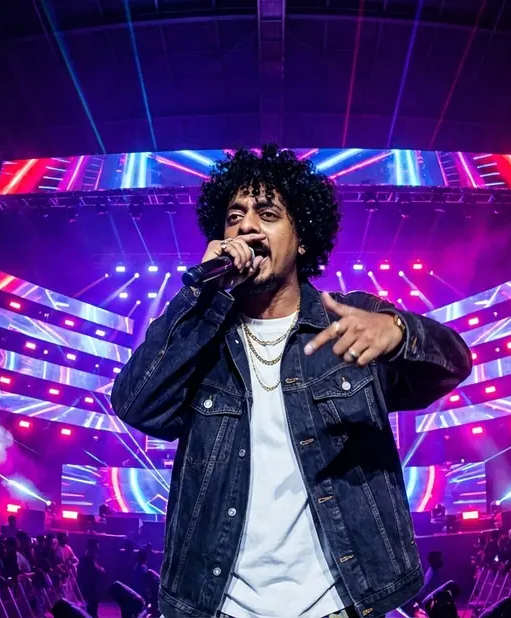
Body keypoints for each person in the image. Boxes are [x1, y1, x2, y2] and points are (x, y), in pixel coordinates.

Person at [112, 146, 473, 618]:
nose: (246, 226)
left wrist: (401, 332)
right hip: (221, 607)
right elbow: (136, 403)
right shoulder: (204, 338)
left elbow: (455, 363)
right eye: (235, 216)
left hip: (339, 605)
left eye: (267, 214)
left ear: (302, 239)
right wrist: (202, 296)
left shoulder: (351, 317)